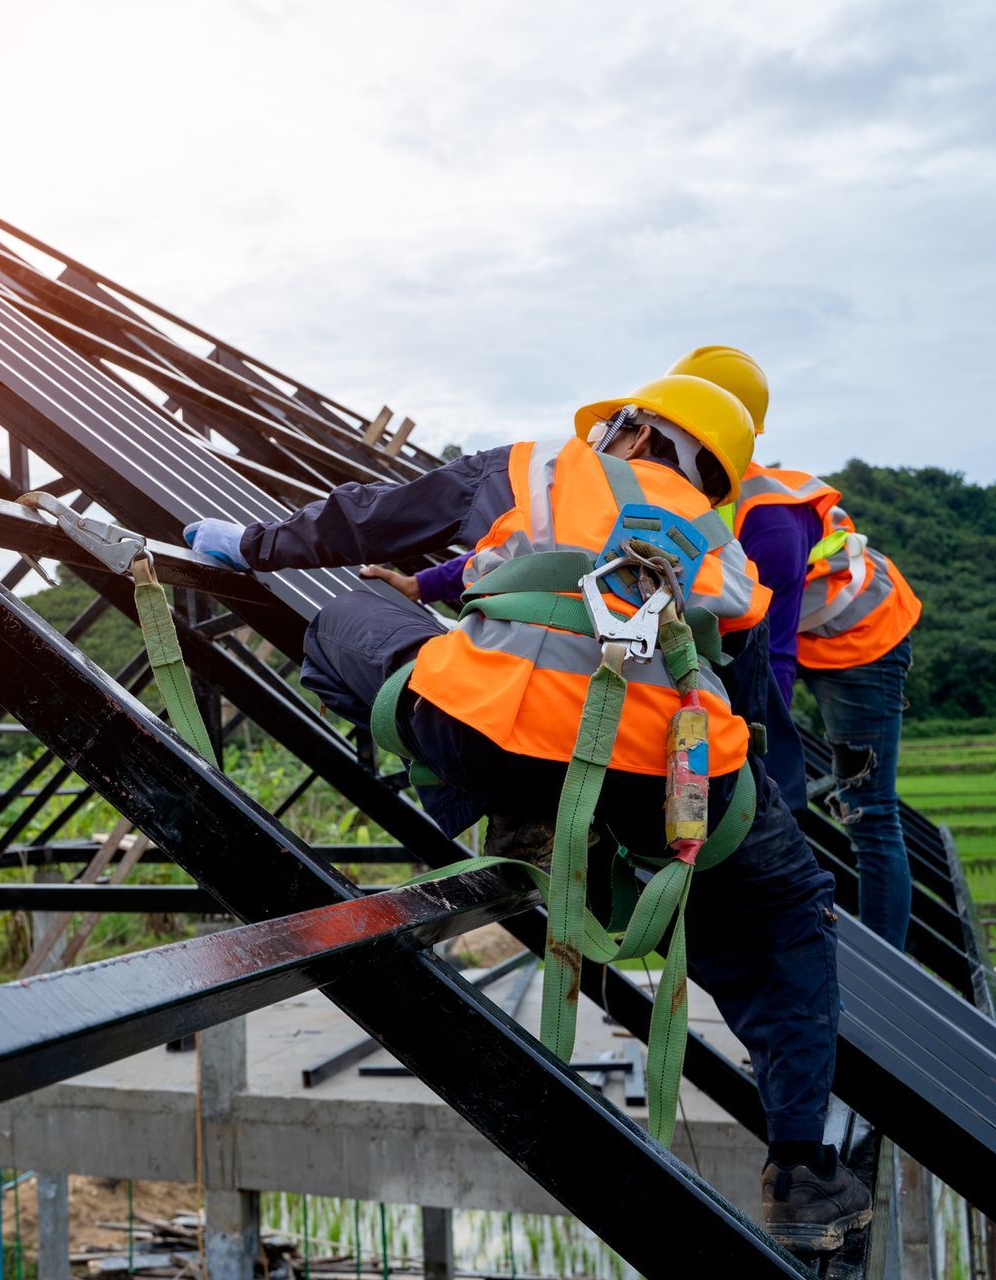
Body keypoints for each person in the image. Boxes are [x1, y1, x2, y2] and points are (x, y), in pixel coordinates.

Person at [185, 375, 870, 1250]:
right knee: (784, 919)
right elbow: (741, 691)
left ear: (631, 428)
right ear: (713, 474)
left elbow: (370, 517)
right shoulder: (721, 545)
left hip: (485, 732)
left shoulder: (537, 467)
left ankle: (516, 813)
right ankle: (805, 1168)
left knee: (348, 616)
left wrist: (249, 543)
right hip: (661, 773)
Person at [666, 347, 923, 952]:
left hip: (860, 638)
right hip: (801, 627)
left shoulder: (771, 514)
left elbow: (770, 652)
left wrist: (756, 756)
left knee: (868, 810)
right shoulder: (695, 493)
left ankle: (882, 964)